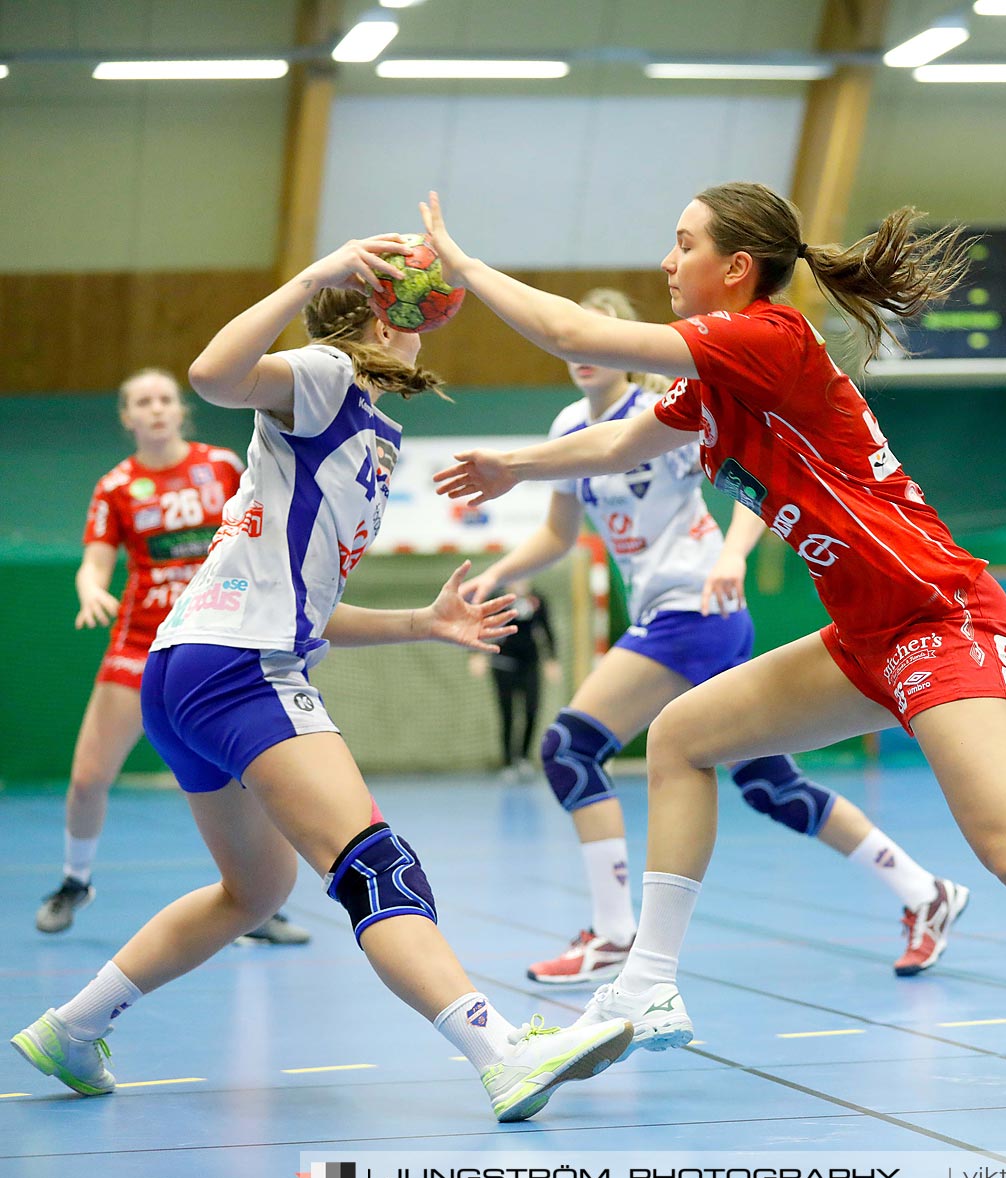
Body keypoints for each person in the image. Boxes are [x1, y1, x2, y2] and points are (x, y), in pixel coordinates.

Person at [425, 183, 1006, 1108]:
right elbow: (619, 443)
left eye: (681, 242)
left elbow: (574, 336)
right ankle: (646, 984)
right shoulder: (717, 385)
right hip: (867, 635)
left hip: (942, 618)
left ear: (735, 270)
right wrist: (515, 466)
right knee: (679, 739)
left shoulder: (766, 340)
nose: (667, 260)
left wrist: (460, 265)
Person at [10, 239, 631, 1121]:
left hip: (192, 667)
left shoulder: (370, 425)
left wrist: (421, 623)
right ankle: (501, 1053)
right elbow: (214, 375)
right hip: (237, 670)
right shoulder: (328, 376)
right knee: (375, 864)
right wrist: (311, 278)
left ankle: (71, 1029)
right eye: (413, 314)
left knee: (255, 890)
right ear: (387, 318)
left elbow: (305, 600)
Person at [465, 287, 969, 986]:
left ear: (618, 347)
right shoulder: (565, 425)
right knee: (767, 783)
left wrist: (732, 556)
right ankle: (925, 892)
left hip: (695, 609)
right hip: (671, 615)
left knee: (570, 747)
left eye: (599, 338)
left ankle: (614, 934)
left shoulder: (658, 413)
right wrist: (492, 576)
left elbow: (751, 485)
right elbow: (557, 535)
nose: (583, 358)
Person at [37, 367, 309, 948]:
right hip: (140, 644)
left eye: (165, 398)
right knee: (87, 779)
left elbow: (260, 535)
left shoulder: (221, 467)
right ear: (128, 417)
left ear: (180, 410)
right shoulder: (116, 487)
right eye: (143, 401)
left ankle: (261, 902)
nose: (156, 408)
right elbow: (95, 559)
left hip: (218, 640)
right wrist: (90, 588)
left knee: (253, 778)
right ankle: (74, 882)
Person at [469, 586, 558, 779]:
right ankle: (508, 761)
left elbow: (546, 628)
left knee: (532, 709)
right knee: (507, 712)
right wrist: (476, 654)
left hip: (530, 663)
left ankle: (523, 758)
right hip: (503, 663)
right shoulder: (497, 599)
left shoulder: (537, 599)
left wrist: (551, 659)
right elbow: (481, 625)